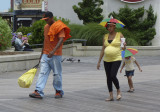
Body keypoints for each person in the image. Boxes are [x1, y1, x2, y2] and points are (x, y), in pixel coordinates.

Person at [29, 11, 71, 99]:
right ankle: (38, 91)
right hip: (45, 54)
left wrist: (53, 51)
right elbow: (45, 41)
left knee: (57, 74)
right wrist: (41, 54)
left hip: (55, 55)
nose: (45, 21)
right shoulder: (46, 27)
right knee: (42, 73)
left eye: (47, 19)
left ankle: (58, 91)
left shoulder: (59, 26)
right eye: (44, 19)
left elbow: (61, 39)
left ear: (51, 17)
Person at [97, 22, 126, 101]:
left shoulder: (119, 35)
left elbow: (123, 48)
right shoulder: (105, 36)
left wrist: (124, 45)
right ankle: (111, 95)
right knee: (108, 77)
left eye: (110, 27)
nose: (109, 28)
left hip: (116, 58)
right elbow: (103, 49)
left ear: (114, 26)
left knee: (113, 75)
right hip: (106, 59)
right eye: (108, 27)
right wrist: (99, 61)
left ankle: (118, 90)